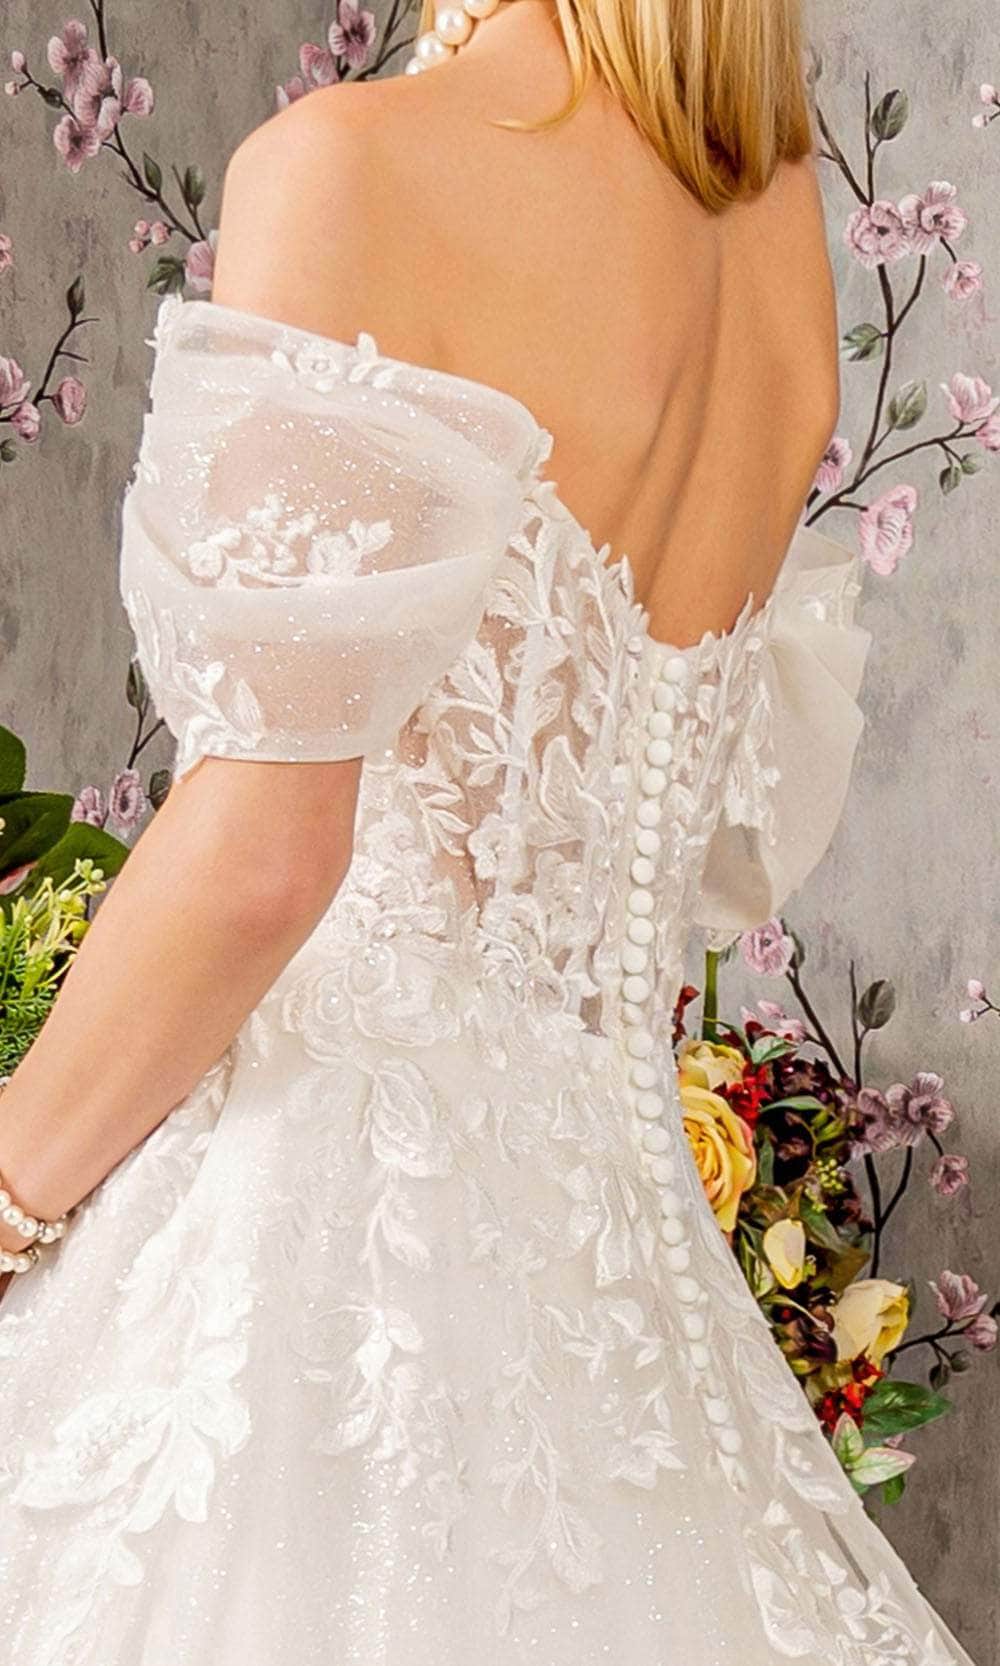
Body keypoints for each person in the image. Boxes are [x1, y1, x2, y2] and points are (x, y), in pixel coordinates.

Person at [0, 1, 978, 1661]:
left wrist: (12, 1191)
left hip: (319, 1249)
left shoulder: (350, 169)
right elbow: (710, 837)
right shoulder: (769, 222)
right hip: (629, 1287)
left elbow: (264, 859)